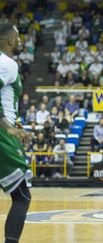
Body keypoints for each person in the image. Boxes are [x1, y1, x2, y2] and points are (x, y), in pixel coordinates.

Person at [0, 22, 33, 243]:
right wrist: (8, 126)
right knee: (22, 197)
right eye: (18, 37)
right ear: (10, 40)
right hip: (2, 136)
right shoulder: (7, 63)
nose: (20, 40)